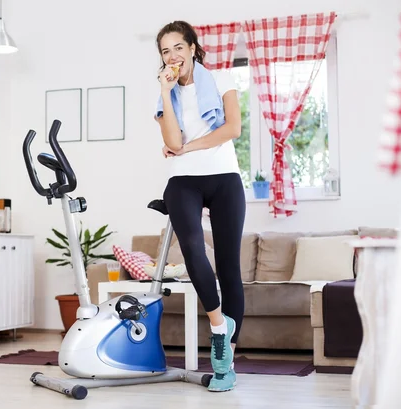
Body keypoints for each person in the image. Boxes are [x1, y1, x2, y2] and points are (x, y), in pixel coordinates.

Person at [154, 20, 246, 392]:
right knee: (192, 247)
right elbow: (172, 139)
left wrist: (189, 146)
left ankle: (225, 365)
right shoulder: (164, 92)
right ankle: (219, 327)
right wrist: (164, 93)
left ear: (193, 48)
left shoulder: (222, 80)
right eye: (165, 51)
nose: (172, 56)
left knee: (228, 266)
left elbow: (233, 129)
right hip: (183, 180)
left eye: (178, 47)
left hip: (224, 175)